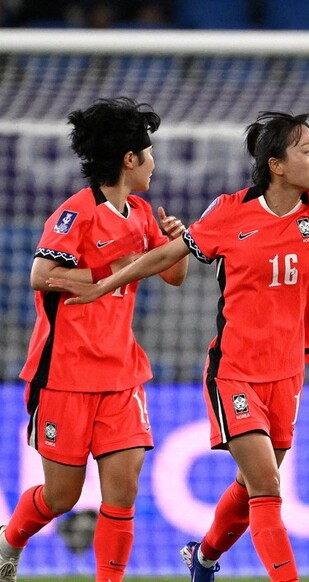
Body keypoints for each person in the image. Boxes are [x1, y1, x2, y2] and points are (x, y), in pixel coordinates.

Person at [47, 106, 309, 582]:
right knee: (267, 487)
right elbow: (170, 253)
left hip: (288, 372)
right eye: (308, 150)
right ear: (276, 165)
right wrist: (108, 284)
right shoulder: (230, 212)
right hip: (233, 372)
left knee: (250, 485)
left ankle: (205, 557)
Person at [0, 97, 189, 582]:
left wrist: (176, 240)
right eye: (148, 153)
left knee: (122, 493)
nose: (154, 162)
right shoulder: (76, 214)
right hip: (64, 375)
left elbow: (174, 277)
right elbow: (41, 276)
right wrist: (112, 269)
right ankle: (9, 539)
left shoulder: (144, 213)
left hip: (122, 375)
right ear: (130, 159)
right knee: (61, 496)